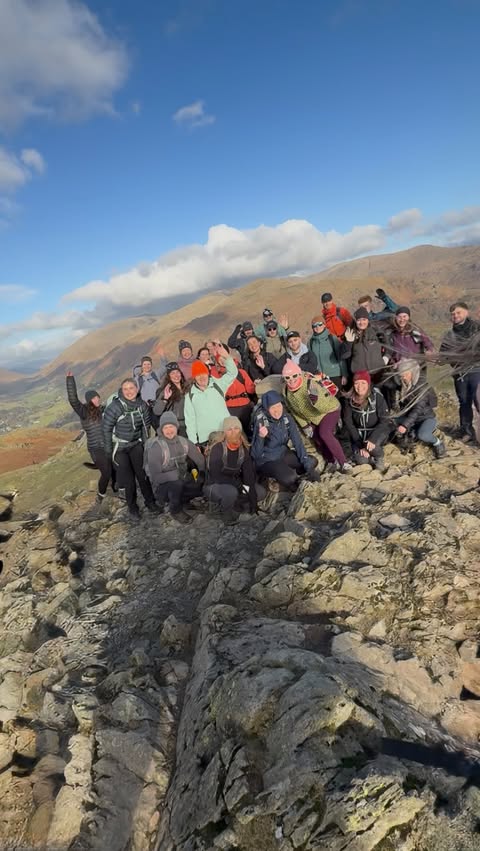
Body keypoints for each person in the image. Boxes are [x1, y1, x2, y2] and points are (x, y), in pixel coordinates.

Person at [282, 360, 352, 472]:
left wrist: (315, 401)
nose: (291, 380)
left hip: (329, 410)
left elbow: (324, 405)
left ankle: (344, 462)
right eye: (287, 377)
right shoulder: (286, 391)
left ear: (299, 374)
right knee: (317, 438)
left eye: (294, 376)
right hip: (311, 417)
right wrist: (304, 426)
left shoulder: (311, 384)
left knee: (324, 433)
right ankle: (331, 461)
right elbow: (293, 410)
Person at [103, 378, 157, 519]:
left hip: (135, 444)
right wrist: (109, 452)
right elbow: (106, 430)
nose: (128, 392)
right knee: (128, 480)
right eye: (125, 389)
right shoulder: (115, 407)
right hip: (119, 448)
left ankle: (150, 502)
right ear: (122, 390)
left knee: (143, 475)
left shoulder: (142, 406)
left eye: (131, 388)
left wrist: (145, 446)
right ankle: (133, 508)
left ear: (137, 389)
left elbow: (146, 428)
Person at [143, 412, 205, 524]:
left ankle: (185, 502)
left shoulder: (184, 442)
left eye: (171, 426)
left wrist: (202, 474)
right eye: (165, 427)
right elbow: (156, 478)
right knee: (176, 484)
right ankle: (175, 510)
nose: (169, 430)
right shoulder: (157, 448)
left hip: (181, 478)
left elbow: (200, 460)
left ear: (176, 427)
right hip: (163, 488)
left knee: (200, 483)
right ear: (161, 430)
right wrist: (176, 474)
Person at [251, 390, 318, 489]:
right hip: (266, 461)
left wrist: (306, 464)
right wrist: (261, 437)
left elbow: (297, 442)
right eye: (273, 408)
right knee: (290, 478)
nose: (277, 410)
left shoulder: (286, 418)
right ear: (266, 409)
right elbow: (255, 455)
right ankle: (275, 478)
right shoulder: (261, 422)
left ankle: (289, 474)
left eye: (278, 406)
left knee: (312, 461)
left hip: (283, 454)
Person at [204, 416, 265, 523]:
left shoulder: (243, 450)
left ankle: (237, 506)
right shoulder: (218, 448)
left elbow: (248, 476)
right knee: (232, 492)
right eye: (229, 429)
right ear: (224, 432)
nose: (233, 432)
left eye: (236, 428)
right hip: (214, 485)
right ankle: (226, 513)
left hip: (235, 483)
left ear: (240, 430)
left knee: (260, 492)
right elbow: (216, 475)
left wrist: (253, 502)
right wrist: (238, 485)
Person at [66, 371, 115, 502]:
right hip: (95, 448)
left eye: (98, 397)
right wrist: (70, 379)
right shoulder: (84, 412)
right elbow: (73, 400)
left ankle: (115, 488)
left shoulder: (104, 409)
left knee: (113, 469)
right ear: (89, 401)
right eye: (94, 398)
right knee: (106, 473)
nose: (97, 399)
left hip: (108, 445)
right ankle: (101, 494)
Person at [184, 344, 238, 449]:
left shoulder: (218, 385)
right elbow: (190, 421)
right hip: (206, 439)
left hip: (226, 432)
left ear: (207, 374)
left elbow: (232, 373)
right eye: (198, 375)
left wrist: (227, 357)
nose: (201, 377)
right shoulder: (190, 396)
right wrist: (194, 443)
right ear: (194, 378)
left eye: (203, 374)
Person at [440, 302, 480, 443]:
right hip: (459, 373)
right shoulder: (450, 335)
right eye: (453, 314)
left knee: (478, 400)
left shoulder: (477, 329)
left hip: (476, 371)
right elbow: (443, 354)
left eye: (458, 312)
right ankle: (467, 431)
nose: (455, 316)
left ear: (466, 313)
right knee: (464, 402)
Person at [393, 359, 446, 458]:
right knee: (390, 423)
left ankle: (438, 443)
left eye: (405, 374)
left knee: (423, 435)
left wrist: (405, 425)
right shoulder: (404, 385)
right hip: (411, 419)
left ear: (412, 372)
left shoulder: (421, 387)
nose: (403, 377)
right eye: (401, 375)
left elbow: (418, 409)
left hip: (426, 417)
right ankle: (412, 434)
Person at [340, 371, 390, 470]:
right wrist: (360, 444)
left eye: (363, 383)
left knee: (372, 446)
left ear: (368, 383)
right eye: (356, 383)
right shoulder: (348, 400)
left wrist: (372, 439)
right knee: (361, 460)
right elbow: (349, 423)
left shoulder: (377, 397)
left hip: (377, 431)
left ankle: (378, 457)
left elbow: (384, 420)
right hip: (359, 434)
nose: (360, 386)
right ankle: (369, 454)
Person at [211, 348, 256, 434]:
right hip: (229, 408)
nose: (223, 361)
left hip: (245, 406)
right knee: (235, 432)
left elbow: (250, 390)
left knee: (249, 431)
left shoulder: (241, 372)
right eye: (220, 359)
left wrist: (255, 386)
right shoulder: (217, 376)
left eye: (224, 358)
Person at [340, 307, 386, 380]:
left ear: (368, 320)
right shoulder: (350, 333)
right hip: (360, 375)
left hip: (378, 372)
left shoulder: (376, 331)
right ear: (355, 321)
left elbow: (388, 344)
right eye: (359, 320)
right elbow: (344, 356)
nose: (361, 323)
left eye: (364, 319)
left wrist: (386, 357)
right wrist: (349, 342)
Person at [308, 316, 348, 389]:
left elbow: (341, 357)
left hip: (335, 375)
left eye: (320, 324)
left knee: (339, 398)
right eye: (314, 325)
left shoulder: (332, 338)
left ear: (324, 324)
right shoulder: (311, 342)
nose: (317, 327)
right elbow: (311, 361)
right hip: (320, 377)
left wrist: (344, 374)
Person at [153, 362, 189, 436]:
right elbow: (157, 411)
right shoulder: (166, 390)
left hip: (189, 424)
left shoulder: (188, 388)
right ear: (169, 376)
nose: (176, 375)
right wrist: (165, 399)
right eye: (172, 373)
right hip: (176, 427)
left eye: (177, 372)